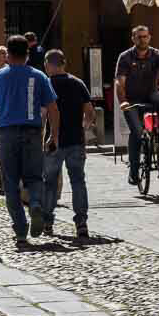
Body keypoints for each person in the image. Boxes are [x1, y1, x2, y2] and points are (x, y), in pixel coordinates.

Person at [0, 35, 58, 246]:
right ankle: (34, 203)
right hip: (32, 133)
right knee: (34, 178)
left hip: (6, 134)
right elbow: (52, 108)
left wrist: (0, 119)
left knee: (11, 183)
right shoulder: (39, 76)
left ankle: (21, 231)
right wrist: (54, 135)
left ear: (8, 54)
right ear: (27, 53)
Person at [115, 24, 159, 187]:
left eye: (145, 36)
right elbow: (119, 81)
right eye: (139, 37)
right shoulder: (125, 57)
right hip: (131, 99)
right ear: (133, 38)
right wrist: (122, 100)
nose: (142, 39)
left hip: (151, 94)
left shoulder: (157, 55)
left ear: (149, 37)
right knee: (137, 132)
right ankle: (134, 170)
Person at [41, 49, 94, 239]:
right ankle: (81, 223)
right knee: (78, 181)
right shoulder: (78, 83)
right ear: (64, 64)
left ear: (48, 65)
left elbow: (42, 115)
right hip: (76, 141)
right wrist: (82, 130)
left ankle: (47, 222)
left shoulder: (46, 84)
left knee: (49, 183)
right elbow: (90, 113)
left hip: (53, 142)